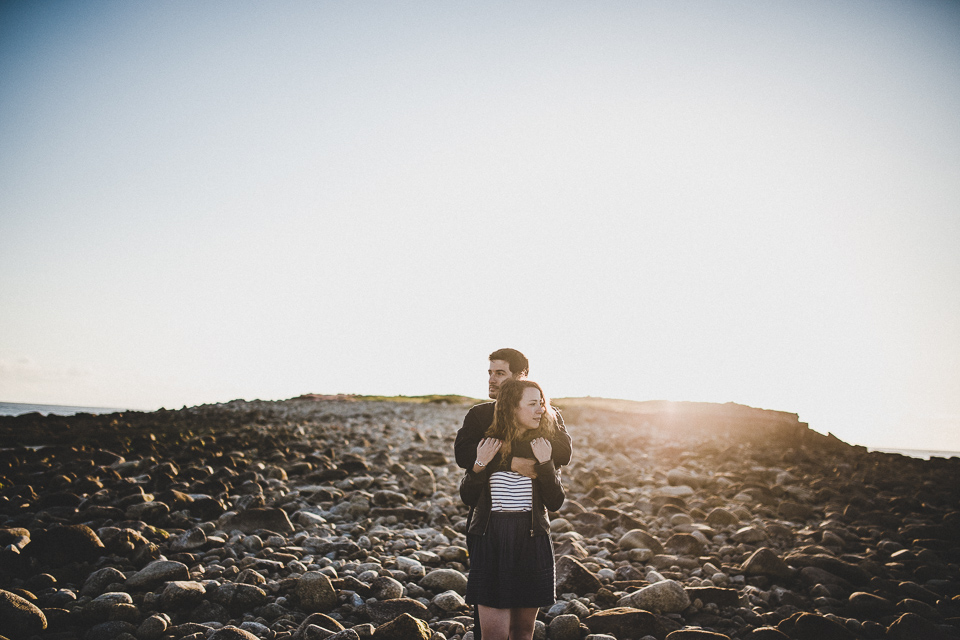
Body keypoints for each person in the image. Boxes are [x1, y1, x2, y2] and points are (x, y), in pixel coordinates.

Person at [460, 379, 566, 640]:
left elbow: (555, 502)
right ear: (511, 408)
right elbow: (467, 496)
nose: (540, 409)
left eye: (541, 403)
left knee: (522, 633)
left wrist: (545, 465)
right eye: (532, 404)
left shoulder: (543, 446)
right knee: (494, 635)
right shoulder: (489, 446)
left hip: (532, 540)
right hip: (492, 538)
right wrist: (479, 465)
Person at [455, 348, 571, 475]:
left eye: (499, 373)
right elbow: (463, 455)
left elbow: (563, 454)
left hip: (538, 493)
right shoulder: (479, 414)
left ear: (520, 376)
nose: (491, 380)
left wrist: (504, 448)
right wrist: (512, 463)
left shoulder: (546, 413)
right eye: (490, 373)